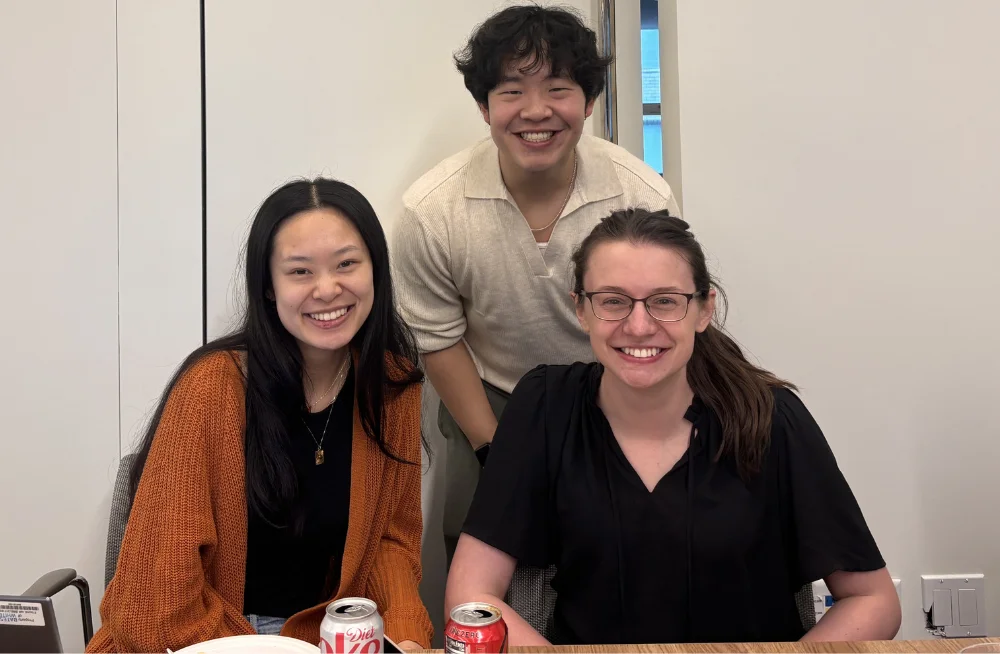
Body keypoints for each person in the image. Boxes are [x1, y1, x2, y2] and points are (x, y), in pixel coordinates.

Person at [445, 208, 902, 646]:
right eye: (613, 301)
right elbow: (469, 596)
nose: (639, 325)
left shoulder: (770, 418)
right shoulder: (544, 408)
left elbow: (873, 601)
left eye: (665, 301)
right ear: (581, 310)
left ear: (704, 310)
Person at [88, 179, 432, 652]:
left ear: (376, 271)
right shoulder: (212, 387)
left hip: (330, 638)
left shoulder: (392, 385)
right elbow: (154, 597)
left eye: (347, 264)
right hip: (203, 638)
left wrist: (405, 632)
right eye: (300, 272)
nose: (328, 289)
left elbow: (391, 541)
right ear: (269, 288)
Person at [391, 5, 680, 565]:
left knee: (627, 556)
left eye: (558, 88)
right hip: (494, 397)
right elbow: (437, 337)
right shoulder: (432, 211)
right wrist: (493, 448)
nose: (536, 111)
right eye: (511, 92)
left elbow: (668, 320)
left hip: (620, 386)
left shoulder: (641, 196)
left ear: (589, 102)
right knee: (488, 567)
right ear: (483, 106)